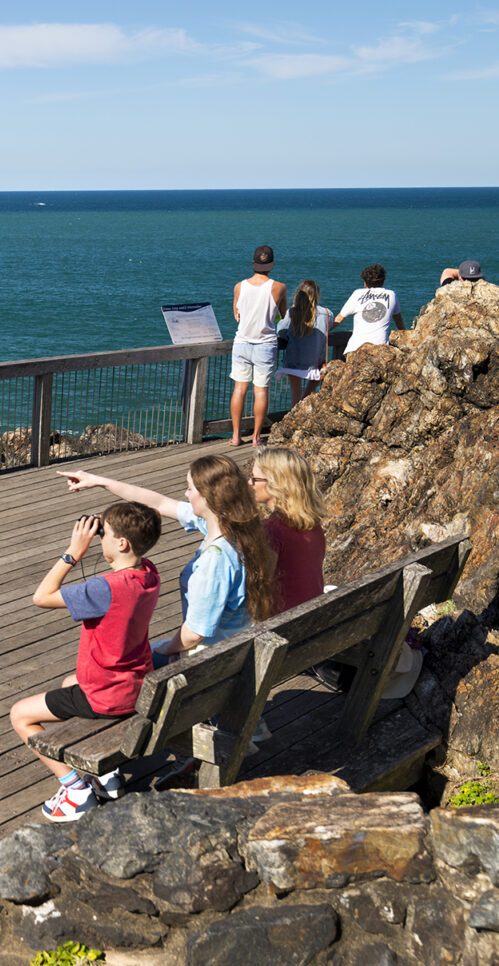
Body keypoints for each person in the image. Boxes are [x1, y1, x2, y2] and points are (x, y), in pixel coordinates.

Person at [9, 503, 162, 822]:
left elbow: (42, 596)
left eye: (103, 533)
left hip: (107, 695)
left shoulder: (104, 588)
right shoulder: (148, 573)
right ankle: (106, 776)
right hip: (135, 683)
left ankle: (76, 791)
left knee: (20, 715)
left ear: (122, 543)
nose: (98, 538)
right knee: (69, 683)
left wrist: (72, 553)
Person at [57, 455, 276, 663]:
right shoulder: (235, 530)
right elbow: (159, 503)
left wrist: (162, 649)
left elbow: (194, 633)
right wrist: (98, 481)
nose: (186, 494)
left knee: (107, 667)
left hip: (209, 658)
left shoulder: (216, 560)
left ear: (209, 496)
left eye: (190, 489)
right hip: (233, 647)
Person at [250, 448, 327, 614]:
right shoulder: (311, 522)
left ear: (274, 483)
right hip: (314, 615)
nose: (250, 483)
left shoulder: (271, 531)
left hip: (285, 625)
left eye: (254, 479)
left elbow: (260, 589)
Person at [230, 245, 288, 447]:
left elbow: (237, 313)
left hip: (242, 343)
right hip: (265, 344)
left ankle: (236, 436)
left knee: (239, 389)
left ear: (253, 263)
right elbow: (283, 313)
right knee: (260, 391)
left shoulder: (239, 286)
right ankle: (256, 438)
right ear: (271, 264)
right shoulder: (279, 287)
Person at [275, 280, 331, 407]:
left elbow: (281, 331)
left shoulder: (291, 313)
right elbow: (328, 327)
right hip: (315, 363)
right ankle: (304, 411)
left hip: (294, 362)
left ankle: (295, 417)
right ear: (316, 294)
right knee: (309, 393)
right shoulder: (327, 313)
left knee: (295, 393)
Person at [334, 264, 405, 354]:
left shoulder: (357, 294)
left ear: (365, 283)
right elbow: (399, 322)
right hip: (380, 351)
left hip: (355, 350)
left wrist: (325, 331)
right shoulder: (391, 295)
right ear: (383, 282)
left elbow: (339, 318)